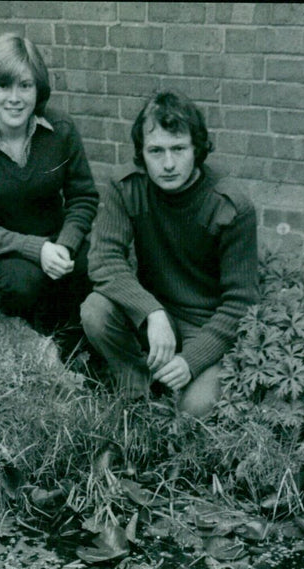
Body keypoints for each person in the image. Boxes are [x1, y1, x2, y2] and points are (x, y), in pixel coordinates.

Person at [81, 91, 259, 418]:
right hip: (156, 314)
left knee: (195, 409)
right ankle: (136, 392)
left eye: (178, 149)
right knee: (96, 310)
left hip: (205, 326)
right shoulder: (126, 186)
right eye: (155, 151)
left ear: (197, 149)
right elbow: (104, 260)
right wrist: (151, 311)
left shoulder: (230, 205)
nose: (167, 164)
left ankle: (176, 382)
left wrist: (192, 360)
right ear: (141, 154)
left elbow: (241, 301)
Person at [0, 33, 99, 335]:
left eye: (25, 86)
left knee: (96, 268)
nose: (14, 98)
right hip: (0, 253)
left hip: (57, 242)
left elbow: (83, 198)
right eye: (3, 85)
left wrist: (65, 246)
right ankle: (27, 337)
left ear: (37, 89)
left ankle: (74, 340)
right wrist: (35, 249)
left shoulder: (61, 129)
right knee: (24, 285)